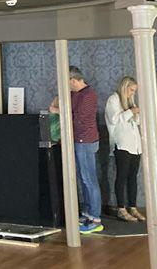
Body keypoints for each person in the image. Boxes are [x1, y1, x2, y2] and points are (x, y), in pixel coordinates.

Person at [50, 66, 102, 234]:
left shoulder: (88, 95)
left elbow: (78, 119)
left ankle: (95, 218)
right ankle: (87, 213)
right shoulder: (75, 94)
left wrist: (58, 111)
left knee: (89, 180)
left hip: (85, 142)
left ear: (73, 80)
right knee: (83, 178)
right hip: (77, 141)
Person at [105, 76, 146, 223]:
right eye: (131, 90)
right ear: (125, 87)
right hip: (121, 144)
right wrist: (131, 112)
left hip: (134, 145)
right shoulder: (113, 100)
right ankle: (121, 208)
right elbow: (114, 120)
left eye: (134, 91)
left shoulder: (130, 101)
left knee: (132, 176)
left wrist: (136, 113)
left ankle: (132, 206)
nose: (132, 93)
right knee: (121, 175)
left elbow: (137, 122)